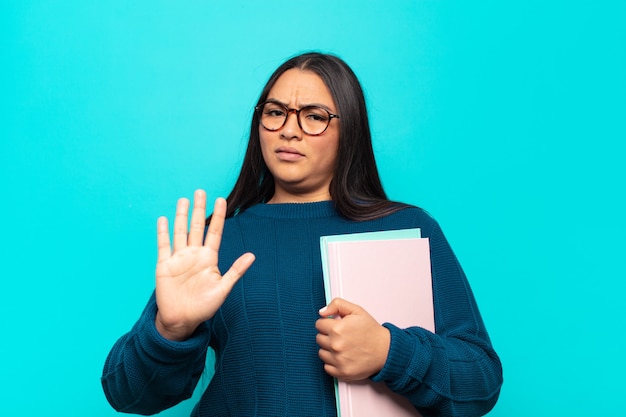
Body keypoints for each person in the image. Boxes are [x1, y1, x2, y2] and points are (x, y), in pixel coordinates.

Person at [101, 52, 503, 417]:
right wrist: (169, 332)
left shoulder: (409, 229)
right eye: (275, 112)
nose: (288, 131)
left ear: (350, 129)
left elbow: (481, 382)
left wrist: (388, 352)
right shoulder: (214, 242)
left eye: (314, 116)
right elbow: (127, 394)